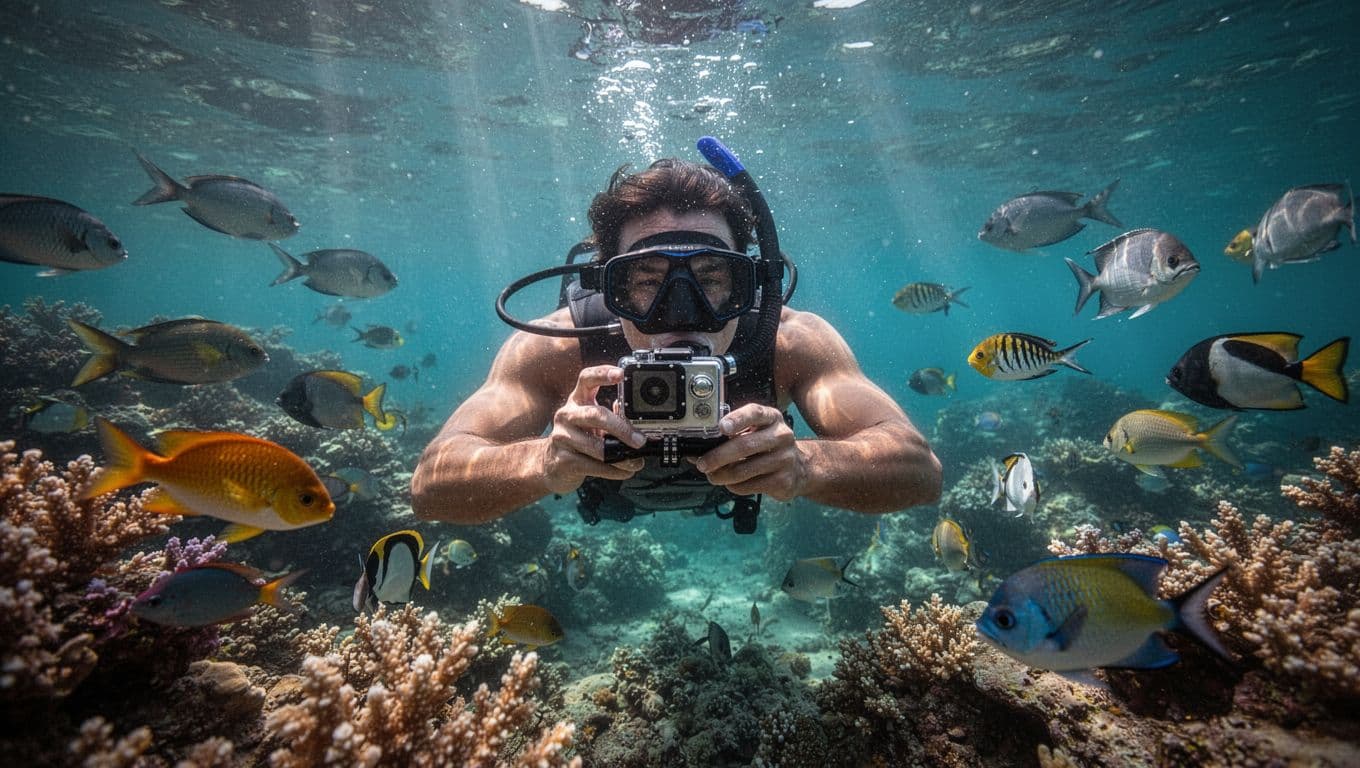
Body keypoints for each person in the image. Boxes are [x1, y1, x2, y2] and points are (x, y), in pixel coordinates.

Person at [412, 157, 941, 529]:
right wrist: (543, 463)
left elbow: (919, 471)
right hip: (611, 501)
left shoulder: (789, 342)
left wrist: (808, 466)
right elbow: (431, 483)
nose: (681, 313)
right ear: (610, 288)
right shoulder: (560, 350)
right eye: (645, 280)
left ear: (751, 284)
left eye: (712, 278)